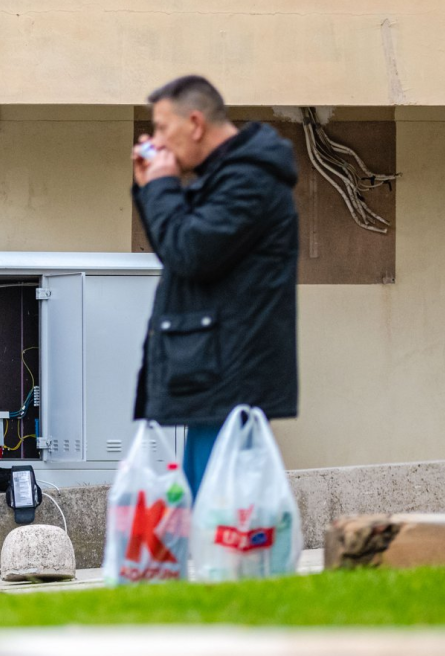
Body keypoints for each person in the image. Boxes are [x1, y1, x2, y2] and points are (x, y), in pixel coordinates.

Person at [131, 75, 300, 497]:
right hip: (211, 370)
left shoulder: (249, 180)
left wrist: (162, 186)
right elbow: (176, 249)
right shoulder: (224, 177)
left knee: (220, 523)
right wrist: (151, 187)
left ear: (195, 122)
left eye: (163, 127)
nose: (158, 140)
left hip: (228, 373)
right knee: (204, 519)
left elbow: (189, 251)